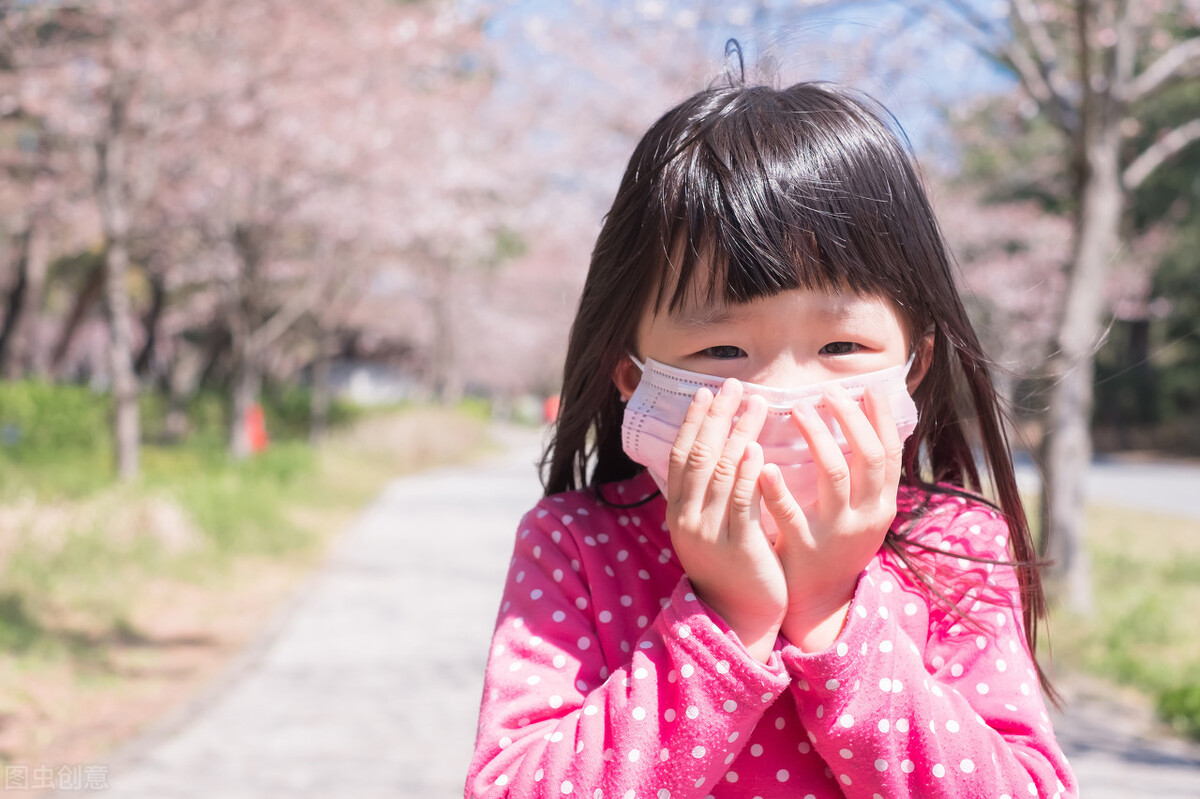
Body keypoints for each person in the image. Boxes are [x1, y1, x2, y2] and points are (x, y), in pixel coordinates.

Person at [465, 77, 1077, 798]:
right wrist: (726, 620)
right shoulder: (577, 545)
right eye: (721, 352)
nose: (784, 394)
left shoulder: (955, 546)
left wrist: (829, 614)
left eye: (842, 344)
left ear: (917, 363)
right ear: (631, 375)